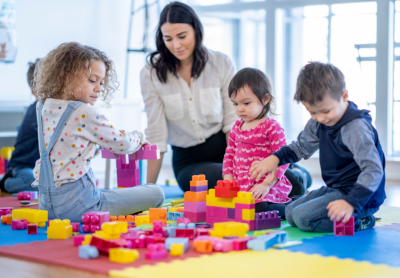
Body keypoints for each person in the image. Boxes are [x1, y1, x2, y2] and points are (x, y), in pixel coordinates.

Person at [141, 1, 310, 195]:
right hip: (190, 162)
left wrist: (242, 165)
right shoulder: (150, 73)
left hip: (231, 149)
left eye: (182, 36)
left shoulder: (220, 63)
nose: (176, 45)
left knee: (279, 181)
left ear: (196, 31)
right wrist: (149, 191)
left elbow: (233, 120)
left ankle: (295, 172)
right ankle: (294, 173)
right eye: (168, 38)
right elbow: (156, 134)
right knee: (234, 187)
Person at [31, 42, 164, 222]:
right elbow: (122, 143)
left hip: (46, 207)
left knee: (109, 192)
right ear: (65, 77)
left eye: (101, 82)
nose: (99, 88)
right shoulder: (83, 111)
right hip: (80, 208)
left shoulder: (43, 106)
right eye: (92, 80)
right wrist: (139, 138)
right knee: (156, 192)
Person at [250, 62, 385, 232]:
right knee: (291, 213)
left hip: (360, 196)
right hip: (336, 188)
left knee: (302, 219)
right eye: (312, 112)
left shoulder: (354, 128)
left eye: (326, 111)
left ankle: (363, 220)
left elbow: (373, 170)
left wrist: (351, 203)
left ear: (344, 96)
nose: (320, 118)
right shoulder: (318, 122)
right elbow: (301, 147)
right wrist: (275, 159)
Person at [223, 68, 291, 217]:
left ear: (265, 99)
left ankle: (294, 207)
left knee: (258, 210)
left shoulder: (271, 127)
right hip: (243, 187)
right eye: (235, 104)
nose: (240, 109)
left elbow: (283, 158)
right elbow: (229, 155)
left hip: (266, 184)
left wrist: (266, 184)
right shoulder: (236, 127)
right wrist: (228, 180)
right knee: (230, 210)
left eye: (246, 103)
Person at [0, 59, 40, 193]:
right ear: (34, 91)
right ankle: (5, 182)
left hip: (40, 169)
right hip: (22, 167)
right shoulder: (36, 111)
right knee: (32, 183)